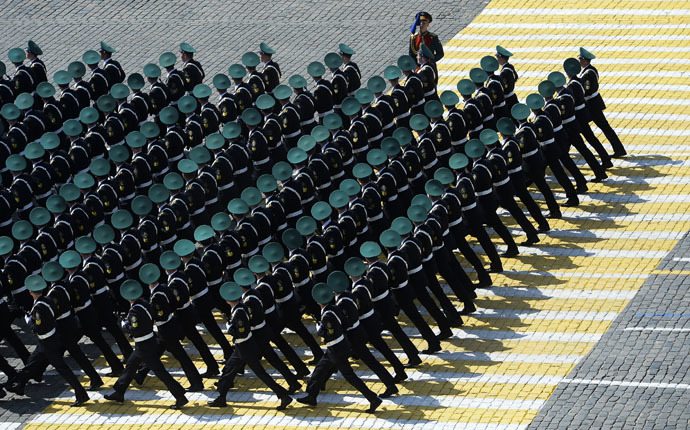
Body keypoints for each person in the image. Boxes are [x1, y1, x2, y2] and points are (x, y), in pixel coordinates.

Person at [5, 274, 90, 406]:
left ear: (31, 292)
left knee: (63, 369)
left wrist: (29, 321)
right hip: (49, 340)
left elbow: (38, 327)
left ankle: (81, 394)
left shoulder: (38, 307)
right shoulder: (47, 300)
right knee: (32, 362)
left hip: (48, 342)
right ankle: (19, 384)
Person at [296, 282, 382, 413]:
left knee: (350, 376)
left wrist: (319, 329)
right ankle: (311, 396)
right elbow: (345, 323)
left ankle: (372, 398)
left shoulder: (327, 315)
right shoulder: (334, 308)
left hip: (336, 350)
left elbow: (328, 334)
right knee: (318, 371)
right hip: (336, 348)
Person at [207, 282, 293, 410]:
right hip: (241, 348)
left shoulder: (239, 312)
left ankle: (283, 395)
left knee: (260, 373)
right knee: (228, 371)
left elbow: (242, 332)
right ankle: (221, 397)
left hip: (245, 347)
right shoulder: (238, 308)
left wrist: (230, 329)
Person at [104, 280, 188, 409]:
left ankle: (180, 396)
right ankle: (119, 392)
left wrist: (125, 326)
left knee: (160, 372)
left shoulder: (134, 312)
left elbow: (135, 329)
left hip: (144, 345)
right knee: (131, 366)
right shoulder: (144, 303)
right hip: (147, 343)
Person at [577, 47, 627, 158]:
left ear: (584, 60)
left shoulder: (588, 73)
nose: (579, 61)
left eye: (580, 59)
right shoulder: (590, 70)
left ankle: (619, 149)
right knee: (595, 127)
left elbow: (587, 89)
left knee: (601, 127)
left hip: (592, 104)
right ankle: (619, 149)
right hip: (592, 103)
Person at [408, 11, 443, 84]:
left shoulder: (432, 38)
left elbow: (440, 53)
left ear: (428, 25)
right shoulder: (414, 38)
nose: (421, 25)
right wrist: (415, 67)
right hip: (418, 68)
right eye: (420, 23)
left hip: (430, 67)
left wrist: (431, 60)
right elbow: (411, 55)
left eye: (424, 23)